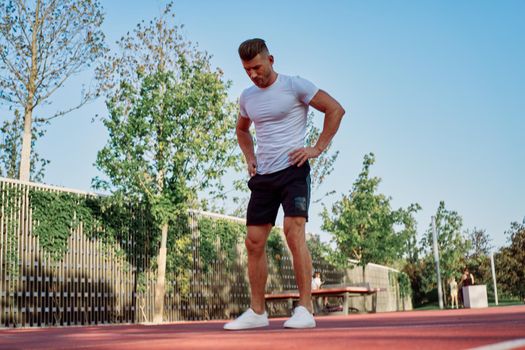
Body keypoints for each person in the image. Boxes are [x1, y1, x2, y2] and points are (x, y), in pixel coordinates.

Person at [224, 38, 345, 330]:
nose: (253, 74)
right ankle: (257, 312)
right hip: (263, 176)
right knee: (253, 242)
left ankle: (305, 309)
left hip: (294, 169)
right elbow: (242, 130)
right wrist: (249, 156)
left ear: (271, 60)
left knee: (293, 232)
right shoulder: (247, 97)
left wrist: (316, 148)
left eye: (256, 67)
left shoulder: (295, 86)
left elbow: (335, 109)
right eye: (246, 70)